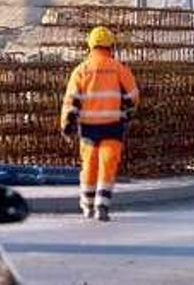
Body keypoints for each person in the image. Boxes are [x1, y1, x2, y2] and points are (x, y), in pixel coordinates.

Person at [59, 26, 139, 221]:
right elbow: (133, 96)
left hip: (88, 128)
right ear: (111, 46)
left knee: (90, 165)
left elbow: (71, 101)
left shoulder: (81, 70)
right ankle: (102, 205)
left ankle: (87, 204)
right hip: (113, 126)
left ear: (90, 45)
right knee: (108, 163)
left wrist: (66, 125)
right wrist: (127, 114)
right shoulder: (119, 68)